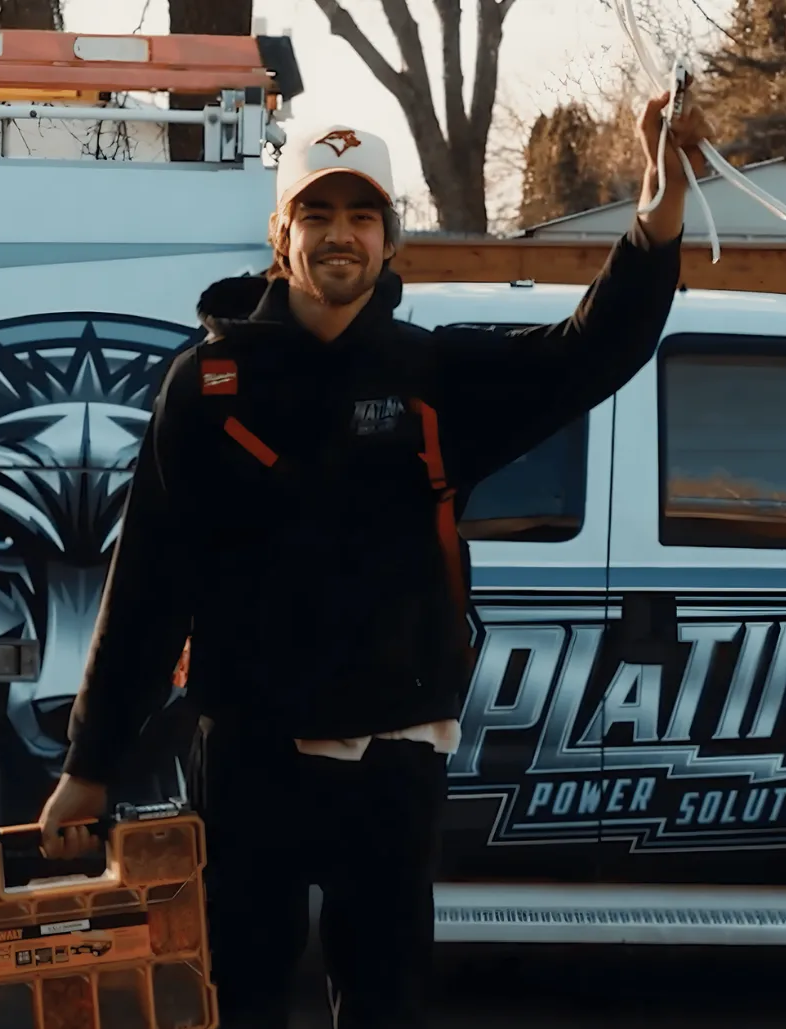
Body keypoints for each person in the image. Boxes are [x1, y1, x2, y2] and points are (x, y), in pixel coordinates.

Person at [37, 89, 712, 1028]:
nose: (340, 235)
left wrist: (658, 206)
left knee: (386, 1001)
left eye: (363, 215)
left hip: (395, 757)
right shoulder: (206, 386)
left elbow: (595, 347)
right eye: (317, 213)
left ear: (393, 239)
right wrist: (93, 758)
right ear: (282, 234)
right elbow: (149, 578)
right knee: (241, 994)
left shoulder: (436, 377)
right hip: (253, 755)